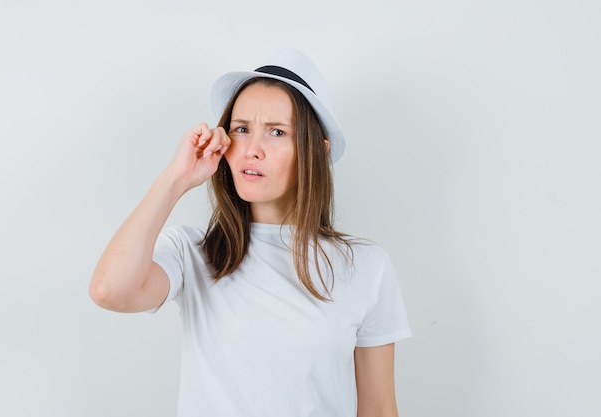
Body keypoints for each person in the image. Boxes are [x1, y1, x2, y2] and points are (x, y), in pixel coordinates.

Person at [90, 49, 411, 417]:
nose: (251, 150)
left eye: (276, 132)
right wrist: (175, 179)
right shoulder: (193, 252)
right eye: (241, 129)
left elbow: (379, 408)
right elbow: (109, 291)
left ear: (317, 151)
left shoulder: (366, 267)